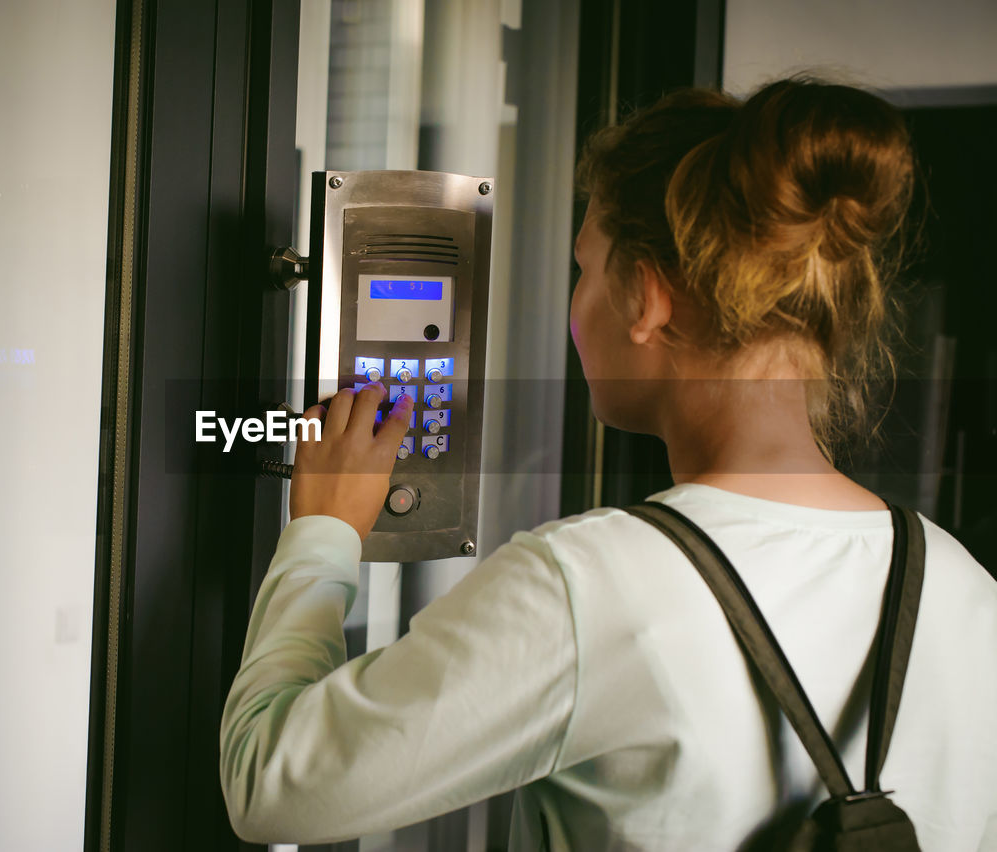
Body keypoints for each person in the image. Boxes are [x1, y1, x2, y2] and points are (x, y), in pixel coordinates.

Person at [218, 76, 997, 850]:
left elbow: (270, 781)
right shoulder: (964, 589)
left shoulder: (592, 587)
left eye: (585, 267)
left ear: (648, 300)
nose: (575, 303)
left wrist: (323, 533)